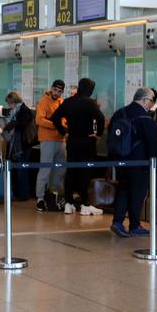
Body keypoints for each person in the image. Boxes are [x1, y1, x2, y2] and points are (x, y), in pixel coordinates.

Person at [108, 87, 157, 237]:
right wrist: (155, 162)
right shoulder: (145, 118)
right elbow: (152, 142)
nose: (151, 105)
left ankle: (117, 221)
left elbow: (111, 135)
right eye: (151, 101)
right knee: (137, 192)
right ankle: (135, 225)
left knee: (123, 189)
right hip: (139, 162)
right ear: (144, 100)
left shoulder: (120, 112)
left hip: (121, 160)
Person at [51, 78, 105, 216]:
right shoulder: (89, 103)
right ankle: (85, 203)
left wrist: (64, 132)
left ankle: (68, 203)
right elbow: (101, 118)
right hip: (87, 141)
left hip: (72, 141)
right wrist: (97, 134)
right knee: (85, 172)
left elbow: (55, 117)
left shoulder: (68, 102)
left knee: (71, 171)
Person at [35, 79, 66, 211]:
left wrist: (63, 125)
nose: (57, 93)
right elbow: (39, 120)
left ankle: (55, 195)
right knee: (45, 170)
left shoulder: (61, 102)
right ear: (51, 88)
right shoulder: (43, 101)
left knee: (60, 170)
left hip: (61, 140)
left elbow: (64, 118)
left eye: (59, 91)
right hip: (47, 140)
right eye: (55, 90)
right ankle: (40, 198)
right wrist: (56, 125)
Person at [4, 91, 34, 201]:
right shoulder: (16, 111)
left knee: (22, 169)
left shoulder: (24, 111)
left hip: (24, 144)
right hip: (19, 144)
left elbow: (21, 125)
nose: (9, 106)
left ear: (14, 101)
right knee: (20, 169)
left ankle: (23, 194)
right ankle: (19, 192)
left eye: (10, 103)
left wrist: (11, 126)